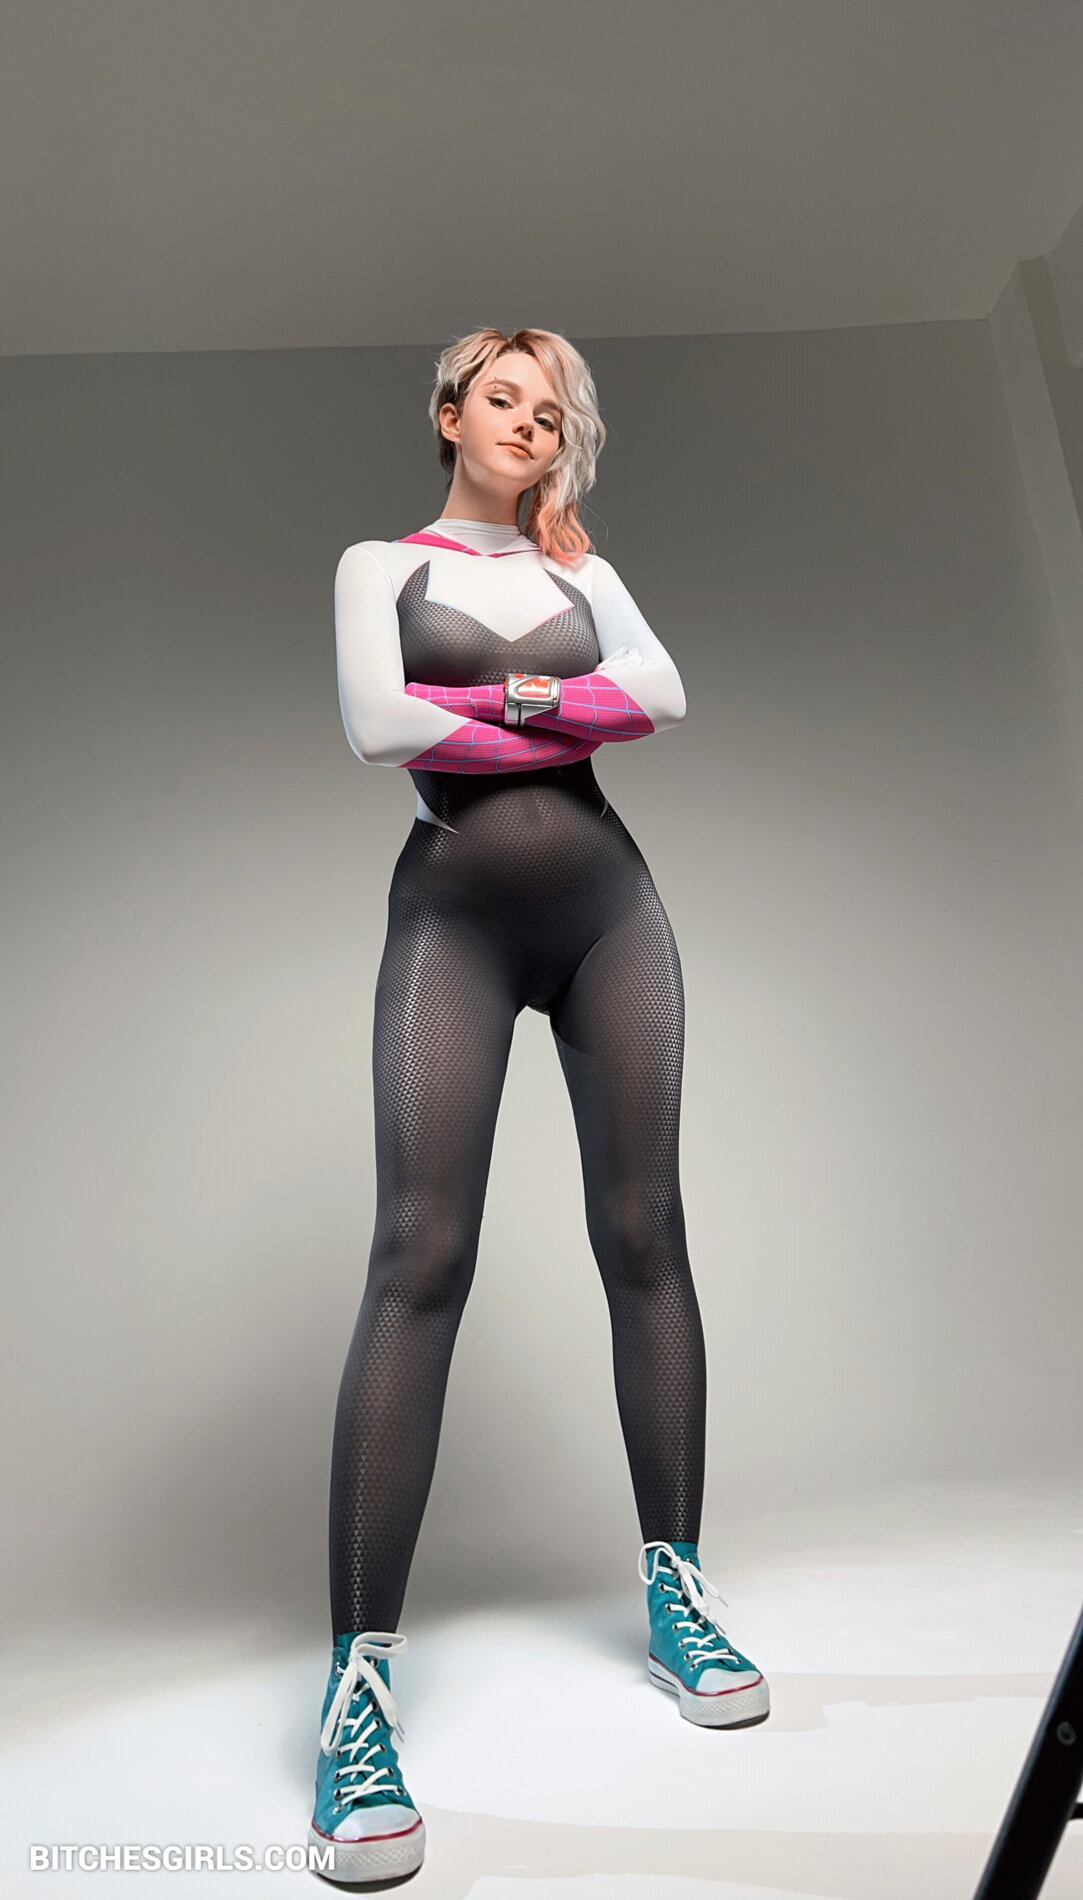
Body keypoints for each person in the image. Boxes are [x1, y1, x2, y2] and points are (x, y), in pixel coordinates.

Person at [309, 327, 769, 1885]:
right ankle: (358, 1691)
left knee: (646, 1233)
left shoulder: (589, 573)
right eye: (504, 399)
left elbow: (666, 695)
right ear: (452, 414)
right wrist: (564, 705)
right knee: (420, 1257)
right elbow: (381, 726)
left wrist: (495, 697)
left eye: (552, 409)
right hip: (456, 917)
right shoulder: (379, 566)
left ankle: (678, 1592)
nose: (530, 422)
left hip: (610, 913)